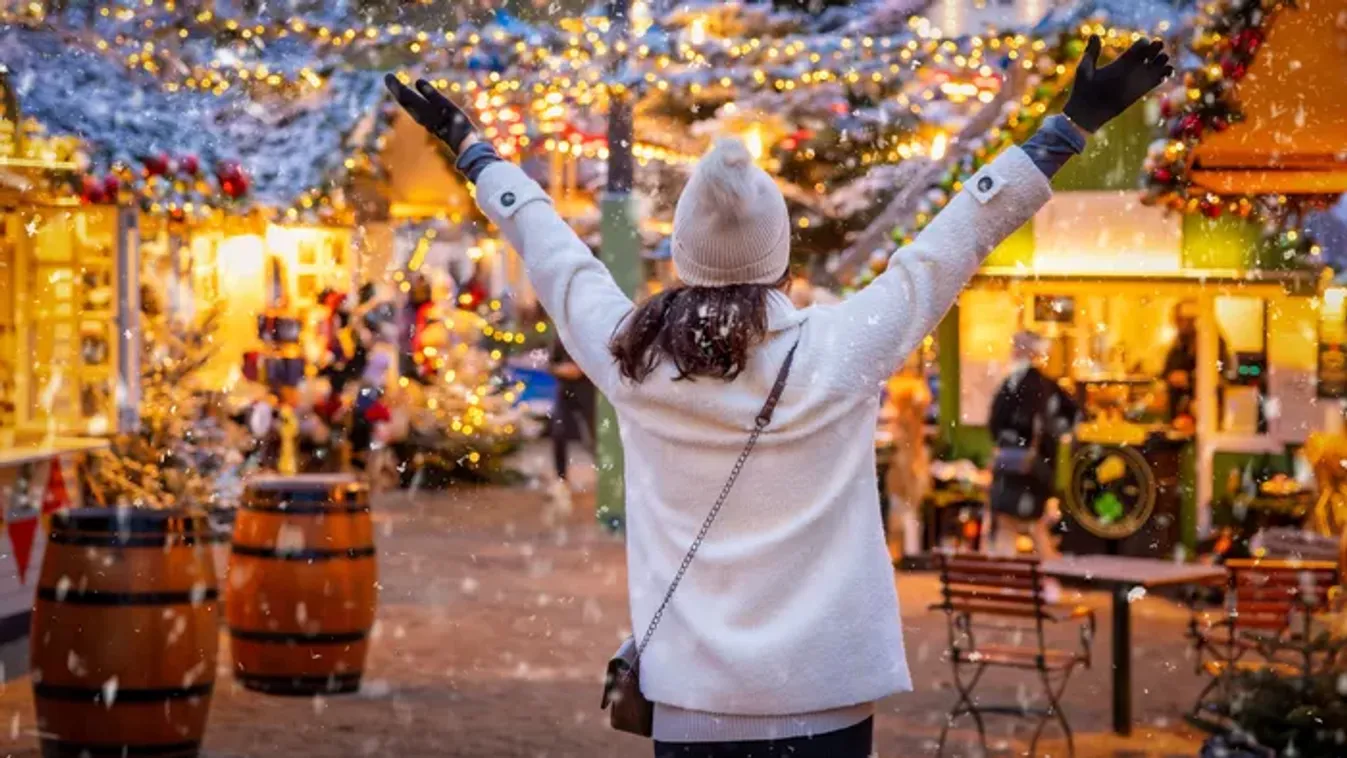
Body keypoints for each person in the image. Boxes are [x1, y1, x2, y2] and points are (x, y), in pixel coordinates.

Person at [386, 36, 1170, 757]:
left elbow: (553, 252)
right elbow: (957, 234)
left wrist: (472, 148)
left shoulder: (632, 360)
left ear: (683, 257)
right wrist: (1068, 127)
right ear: (780, 256)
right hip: (823, 698)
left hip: (691, 699)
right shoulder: (842, 348)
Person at [988, 331, 1079, 558]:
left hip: (1011, 466)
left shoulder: (1012, 384)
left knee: (1008, 524)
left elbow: (995, 423)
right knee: (1035, 524)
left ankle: (1008, 578)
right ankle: (1048, 573)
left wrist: (1009, 440)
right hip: (1038, 467)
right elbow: (1072, 418)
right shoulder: (1049, 385)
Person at [882, 373, 932, 561]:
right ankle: (908, 553)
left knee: (903, 513)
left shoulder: (902, 422)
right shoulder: (912, 422)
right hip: (910, 470)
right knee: (908, 513)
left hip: (904, 471)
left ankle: (905, 554)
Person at [548, 329, 596, 511]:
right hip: (565, 392)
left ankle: (608, 475)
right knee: (558, 431)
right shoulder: (560, 335)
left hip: (588, 392)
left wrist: (582, 370)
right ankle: (561, 479)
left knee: (594, 436)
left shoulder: (590, 334)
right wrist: (562, 369)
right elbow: (551, 363)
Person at [1162, 300, 1230, 428]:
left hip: (1203, 406)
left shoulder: (1213, 340)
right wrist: (1170, 376)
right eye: (1178, 319)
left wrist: (1188, 378)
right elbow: (1167, 369)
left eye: (1183, 319)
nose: (1179, 323)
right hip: (1180, 408)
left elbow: (1217, 370)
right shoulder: (1179, 342)